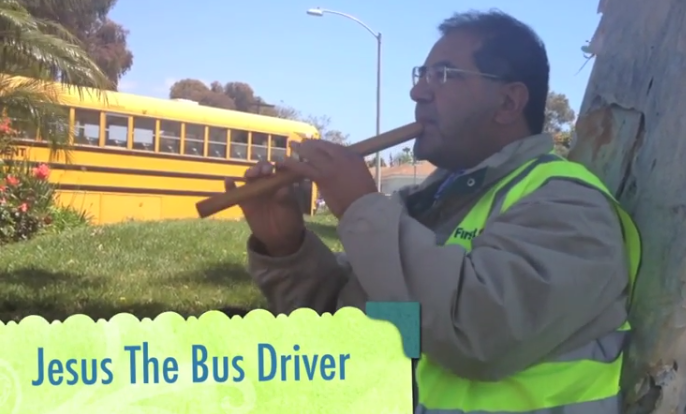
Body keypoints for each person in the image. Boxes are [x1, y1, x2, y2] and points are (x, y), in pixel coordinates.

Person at [224, 9, 641, 414]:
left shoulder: (570, 207)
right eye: (420, 75)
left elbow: (477, 334)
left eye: (442, 75)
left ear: (508, 102)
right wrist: (286, 248)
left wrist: (360, 207)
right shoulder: (436, 199)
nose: (418, 92)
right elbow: (361, 331)